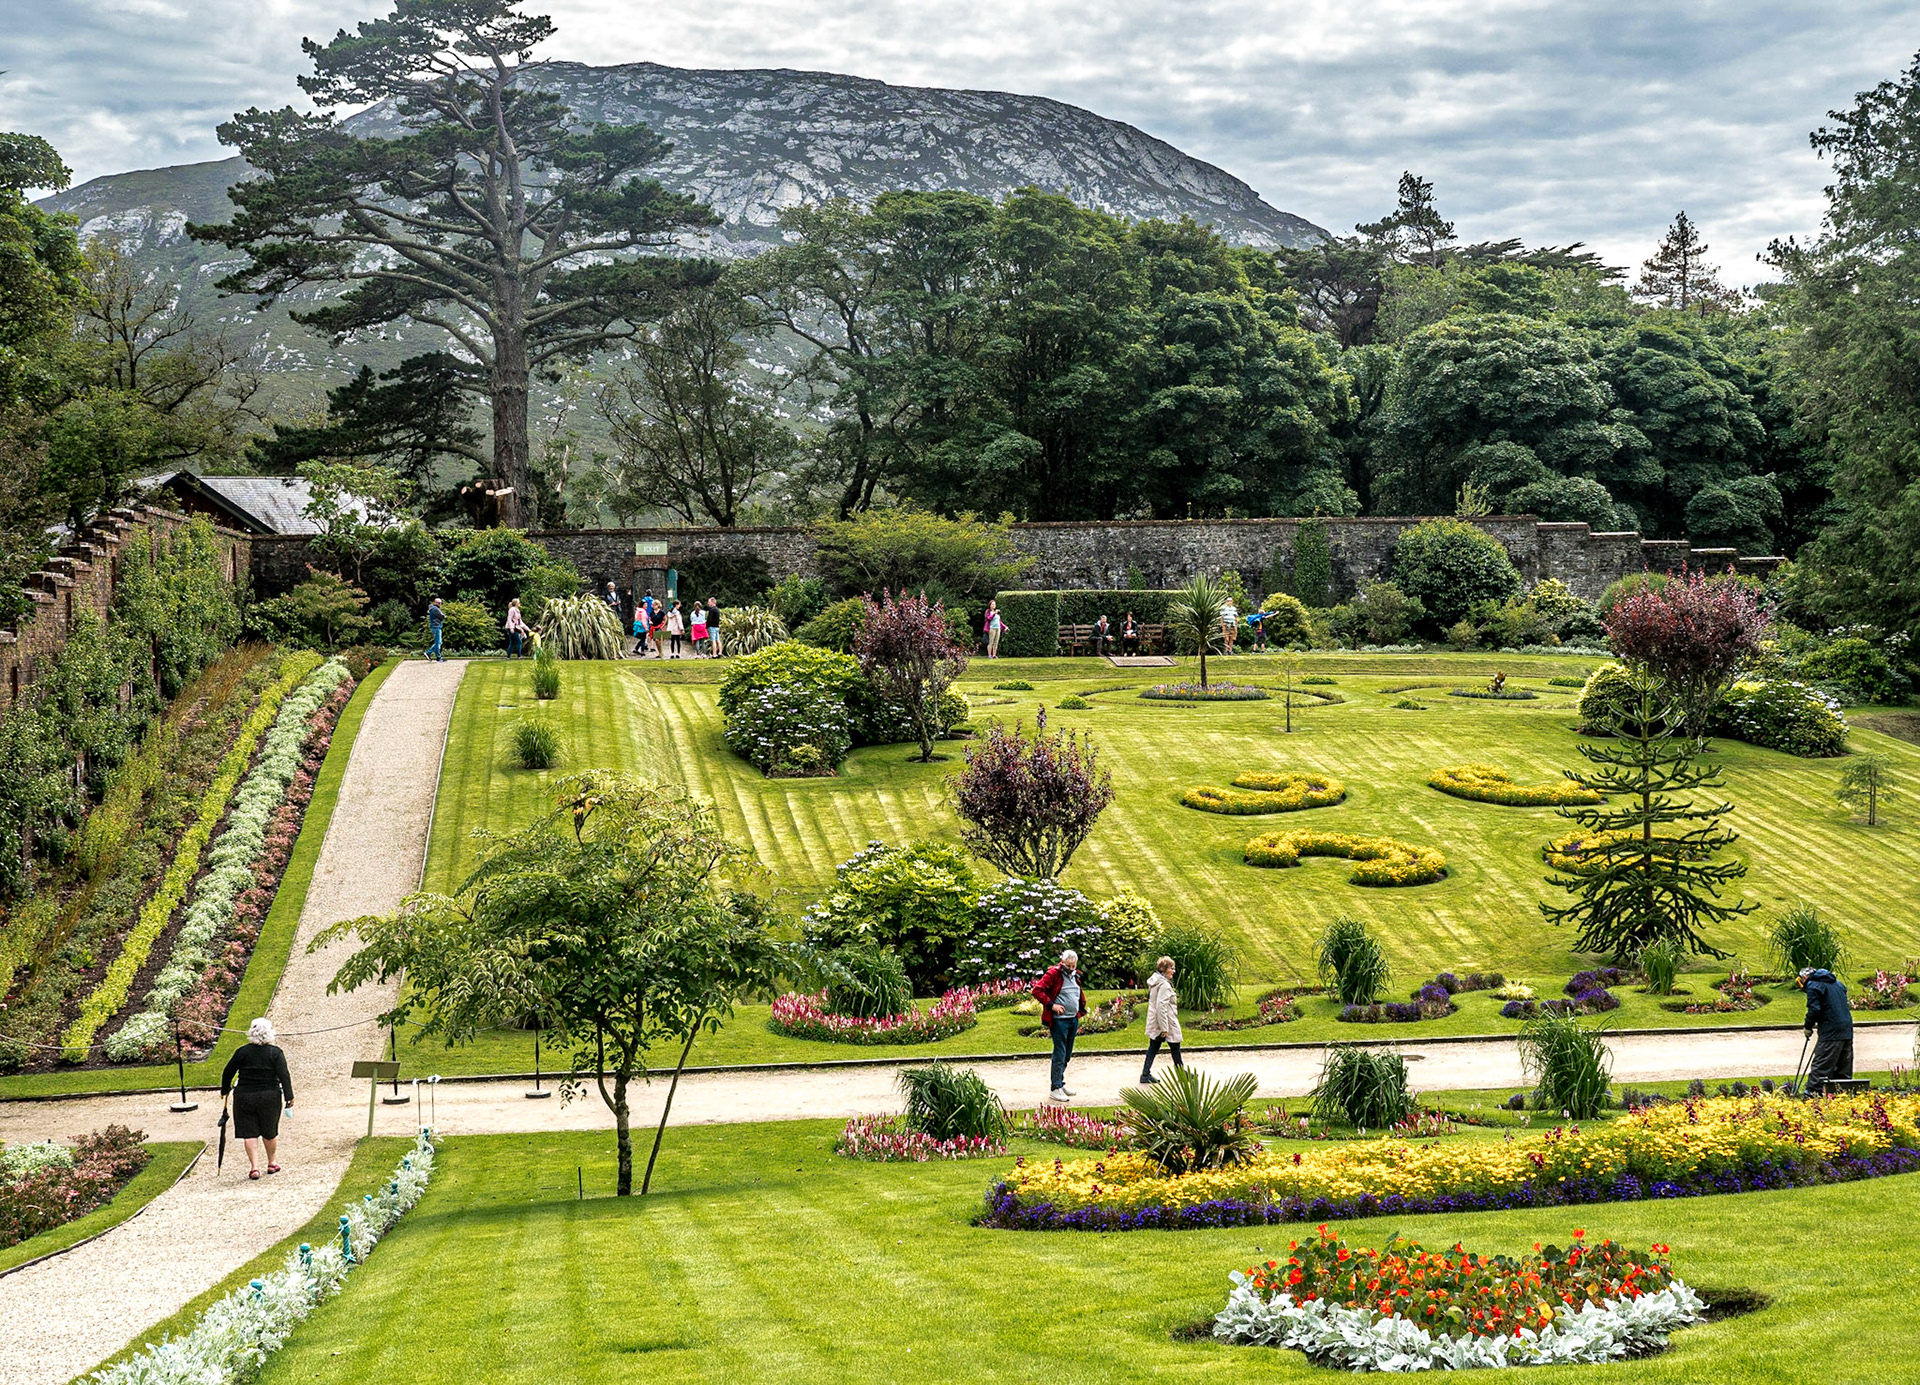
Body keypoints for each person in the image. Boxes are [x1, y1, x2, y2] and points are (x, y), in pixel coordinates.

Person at [221, 1017, 293, 1180]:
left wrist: (225, 1090)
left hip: (244, 1096)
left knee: (249, 1132)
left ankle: (254, 1167)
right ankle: (271, 1162)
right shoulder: (275, 1053)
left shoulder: (242, 1052)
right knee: (269, 1131)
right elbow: (284, 1076)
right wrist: (289, 1097)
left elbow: (228, 1072)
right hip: (269, 1095)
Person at [1031, 949, 1088, 1102]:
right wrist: (1052, 1005)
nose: (1071, 969)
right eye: (1068, 966)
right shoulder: (1053, 974)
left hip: (1072, 1019)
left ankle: (1060, 1083)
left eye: (1073, 966)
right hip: (1059, 1021)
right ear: (1062, 963)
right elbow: (1037, 990)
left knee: (1067, 1054)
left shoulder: (1075, 975)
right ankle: (1055, 1088)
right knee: (1060, 1054)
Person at [1798, 966, 1854, 1090]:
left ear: (1805, 977)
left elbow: (1815, 1009)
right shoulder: (1838, 984)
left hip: (1830, 1030)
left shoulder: (1813, 985)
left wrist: (1808, 1026)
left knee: (1822, 1063)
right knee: (1843, 1065)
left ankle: (1813, 1094)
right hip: (1846, 1027)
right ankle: (1842, 1094)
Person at [1141, 955, 1183, 1084]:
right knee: (1174, 1045)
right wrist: (1165, 1028)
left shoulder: (1157, 982)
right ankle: (1181, 1074)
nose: (1173, 971)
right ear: (1164, 970)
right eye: (1172, 968)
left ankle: (1145, 1074)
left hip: (1158, 1020)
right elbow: (1161, 1007)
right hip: (1165, 1021)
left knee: (1154, 1046)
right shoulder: (1164, 985)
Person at [425, 597, 445, 662]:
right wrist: (444, 616)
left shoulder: (433, 608)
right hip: (436, 626)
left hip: (435, 626)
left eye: (440, 603)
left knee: (439, 642)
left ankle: (428, 653)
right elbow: (442, 616)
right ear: (435, 603)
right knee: (437, 643)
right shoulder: (436, 609)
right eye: (439, 603)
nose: (440, 604)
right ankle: (438, 657)